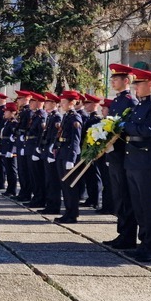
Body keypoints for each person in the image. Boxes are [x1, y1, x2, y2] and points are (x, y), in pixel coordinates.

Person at [121, 67, 151, 262]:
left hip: (147, 160)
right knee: (138, 205)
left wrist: (127, 126)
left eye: (139, 83)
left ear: (150, 84)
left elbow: (149, 130)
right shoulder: (140, 104)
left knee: (148, 205)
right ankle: (144, 243)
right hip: (134, 158)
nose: (135, 87)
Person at [103, 64, 139, 249]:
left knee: (126, 195)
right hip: (114, 153)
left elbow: (127, 128)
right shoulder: (117, 101)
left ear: (126, 81)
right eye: (112, 79)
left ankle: (128, 235)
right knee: (118, 194)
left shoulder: (130, 101)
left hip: (124, 153)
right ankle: (122, 232)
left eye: (116, 79)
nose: (113, 82)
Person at [55, 91, 83, 223]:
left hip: (68, 155)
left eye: (64, 102)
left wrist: (71, 159)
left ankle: (72, 214)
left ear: (72, 103)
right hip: (62, 153)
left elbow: (76, 140)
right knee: (64, 185)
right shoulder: (66, 116)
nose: (61, 104)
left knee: (70, 186)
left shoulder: (75, 118)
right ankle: (68, 212)